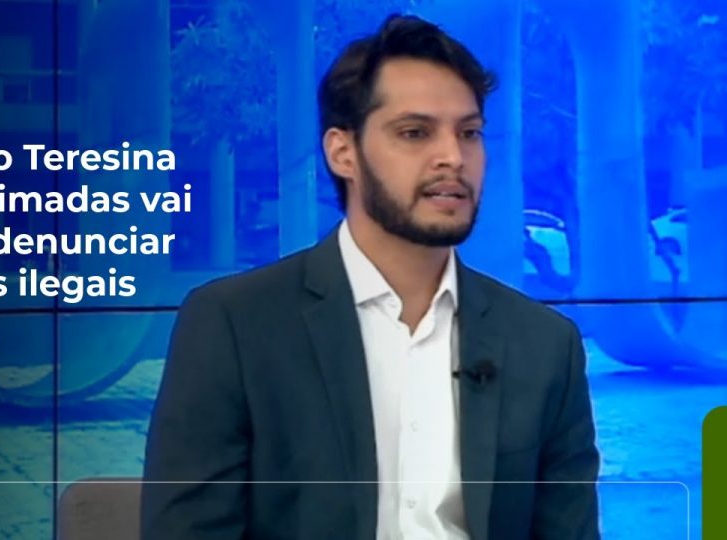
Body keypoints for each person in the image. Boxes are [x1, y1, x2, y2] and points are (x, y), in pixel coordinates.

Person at [142, 14, 599, 540]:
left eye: (469, 133)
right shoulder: (235, 326)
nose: (453, 157)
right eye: (415, 133)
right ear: (343, 153)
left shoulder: (545, 345)